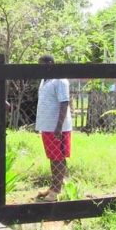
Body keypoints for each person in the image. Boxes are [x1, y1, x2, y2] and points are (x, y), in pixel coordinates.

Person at [35, 55, 72, 202]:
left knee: (59, 158)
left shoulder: (60, 80)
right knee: (52, 157)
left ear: (50, 64)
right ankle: (53, 186)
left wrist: (59, 127)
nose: (39, 68)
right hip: (47, 126)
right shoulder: (45, 80)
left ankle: (57, 191)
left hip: (58, 127)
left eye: (41, 64)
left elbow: (64, 103)